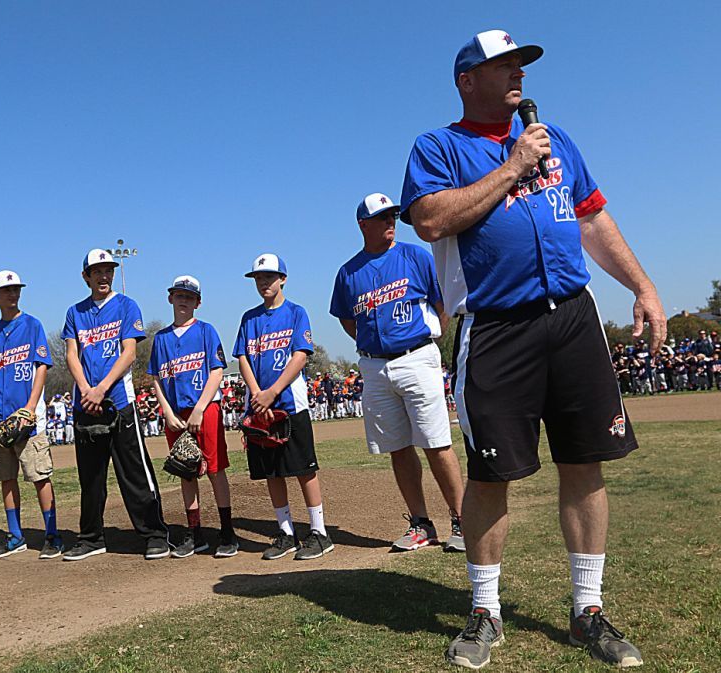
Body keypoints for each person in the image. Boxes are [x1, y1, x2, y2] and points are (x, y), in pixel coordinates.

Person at [400, 30, 665, 668]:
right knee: (491, 473)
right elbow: (432, 219)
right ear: (468, 80)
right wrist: (513, 167)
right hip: (496, 327)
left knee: (584, 460)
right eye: (503, 66)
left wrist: (643, 287)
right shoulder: (440, 146)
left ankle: (588, 610)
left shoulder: (558, 141)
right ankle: (485, 611)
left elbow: (593, 219)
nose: (518, 73)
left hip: (573, 319)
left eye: (521, 63)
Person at [330, 192, 467, 553]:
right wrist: (375, 343)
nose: (391, 221)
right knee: (398, 448)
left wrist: (424, 340)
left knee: (437, 443)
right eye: (382, 217)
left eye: (393, 215)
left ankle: (463, 520)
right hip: (374, 365)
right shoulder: (348, 272)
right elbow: (348, 320)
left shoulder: (414, 256)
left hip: (417, 357)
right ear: (363, 224)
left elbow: (443, 306)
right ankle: (421, 523)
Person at [61, 249, 170, 561]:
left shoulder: (125, 305)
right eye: (97, 271)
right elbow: (72, 354)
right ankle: (91, 537)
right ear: (86, 277)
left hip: (119, 402)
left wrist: (101, 389)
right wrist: (86, 390)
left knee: (134, 472)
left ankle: (154, 534)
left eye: (108, 270)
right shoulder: (75, 312)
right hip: (85, 404)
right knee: (90, 477)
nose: (103, 276)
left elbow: (129, 353)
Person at [234, 253, 333, 561]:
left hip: (290, 403)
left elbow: (301, 355)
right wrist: (256, 394)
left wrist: (272, 391)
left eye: (269, 277)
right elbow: (243, 359)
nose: (264, 282)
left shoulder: (295, 312)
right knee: (272, 472)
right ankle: (286, 532)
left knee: (304, 468)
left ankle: (319, 532)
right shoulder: (249, 318)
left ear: (283, 279)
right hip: (259, 405)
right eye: (259, 278)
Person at [147, 275, 239, 558]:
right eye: (179, 295)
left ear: (198, 302)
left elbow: (216, 370)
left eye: (189, 296)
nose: (183, 300)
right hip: (176, 413)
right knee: (185, 469)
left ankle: (227, 532)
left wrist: (199, 408)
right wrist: (166, 410)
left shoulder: (206, 331)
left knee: (214, 469)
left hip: (205, 408)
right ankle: (195, 533)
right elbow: (157, 379)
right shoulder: (161, 338)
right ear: (170, 298)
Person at [0, 270, 62, 559]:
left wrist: (30, 407)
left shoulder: (32, 325)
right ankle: (16, 535)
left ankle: (52, 536)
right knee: (7, 478)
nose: (13, 294)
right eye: (6, 290)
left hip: (28, 417)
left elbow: (41, 366)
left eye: (16, 289)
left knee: (39, 475)